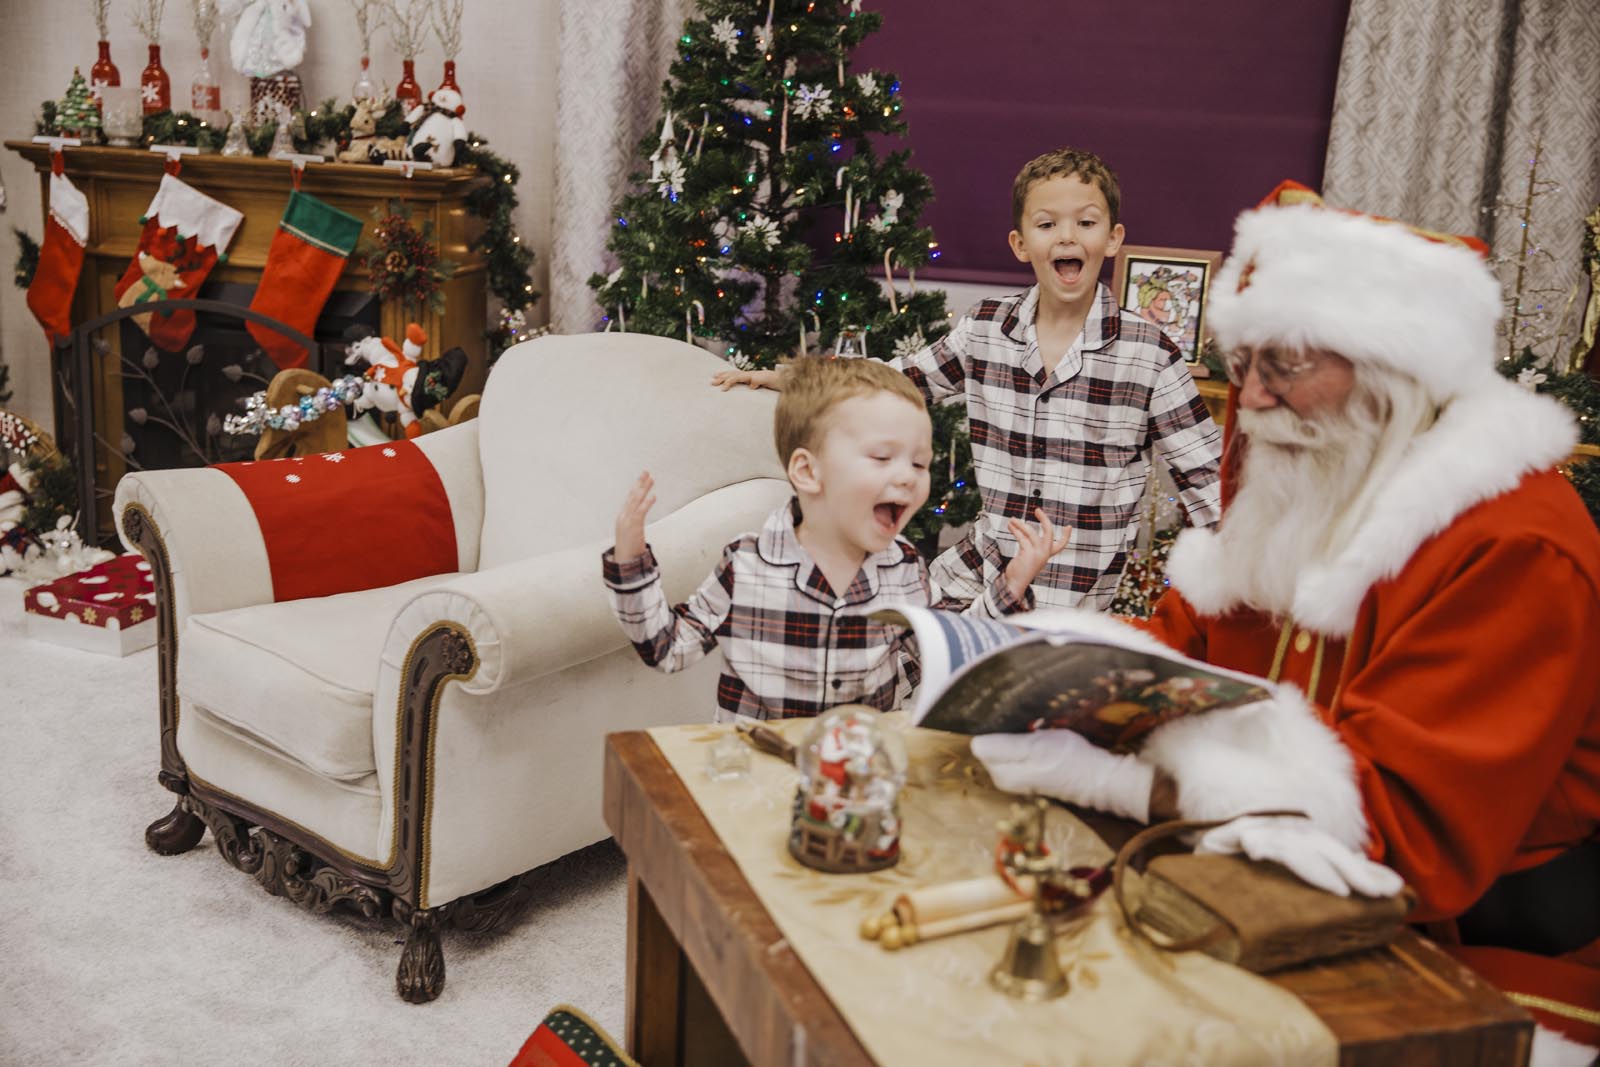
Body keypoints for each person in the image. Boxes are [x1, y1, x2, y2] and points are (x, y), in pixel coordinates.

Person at [973, 180, 1600, 1060]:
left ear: (1395, 373)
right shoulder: (1314, 472)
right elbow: (1180, 646)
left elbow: (1402, 833)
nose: (1252, 401)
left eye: (1287, 365)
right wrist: (1046, 678)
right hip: (1254, 880)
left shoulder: (1514, 542)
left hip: (1471, 956)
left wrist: (1131, 782)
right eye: (1245, 363)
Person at [714, 147, 1223, 612]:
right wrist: (794, 379)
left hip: (1078, 599)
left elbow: (1208, 480)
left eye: (1086, 222)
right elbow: (894, 382)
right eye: (1048, 225)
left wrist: (1248, 575)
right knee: (894, 649)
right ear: (1021, 244)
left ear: (1112, 239)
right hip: (982, 571)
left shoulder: (1149, 354)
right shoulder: (985, 328)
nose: (1067, 237)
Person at [603, 356, 1066, 721]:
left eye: (919, 463)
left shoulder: (904, 570)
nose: (907, 477)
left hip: (859, 787)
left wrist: (1013, 583)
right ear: (808, 471)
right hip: (757, 785)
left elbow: (946, 653)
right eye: (883, 457)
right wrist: (630, 563)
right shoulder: (746, 566)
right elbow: (668, 648)